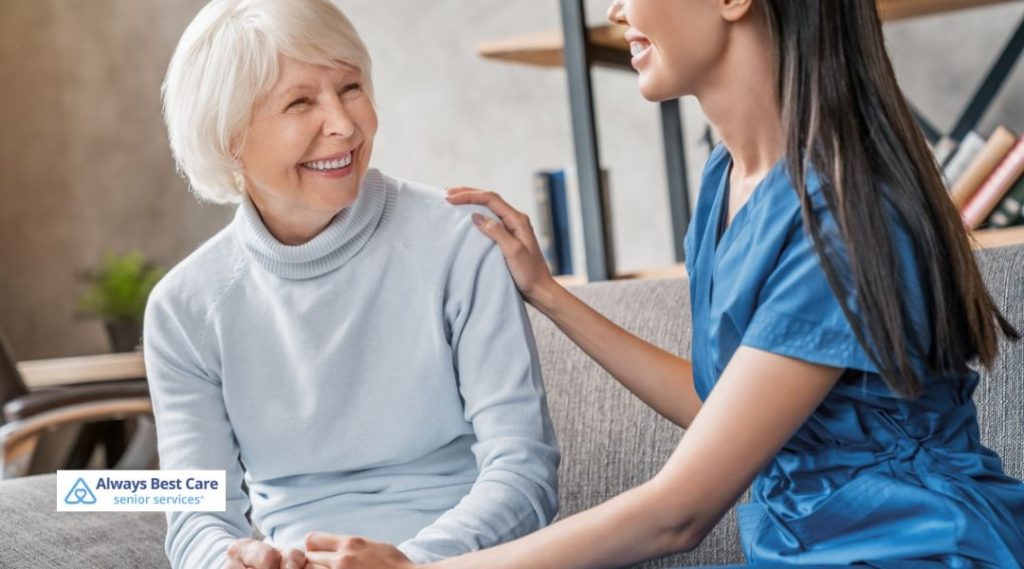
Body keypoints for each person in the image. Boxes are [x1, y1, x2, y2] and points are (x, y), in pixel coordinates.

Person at [323, 0, 1024, 567]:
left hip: (917, 547)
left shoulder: (841, 214)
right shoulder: (726, 185)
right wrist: (548, 292)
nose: (617, 12)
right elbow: (716, 404)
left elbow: (679, 512)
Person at [147, 1, 559, 568]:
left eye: (350, 87)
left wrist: (408, 562)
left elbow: (525, 471)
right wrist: (230, 562)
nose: (343, 124)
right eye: (300, 102)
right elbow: (197, 515)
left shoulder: (460, 241)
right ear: (229, 139)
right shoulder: (184, 309)